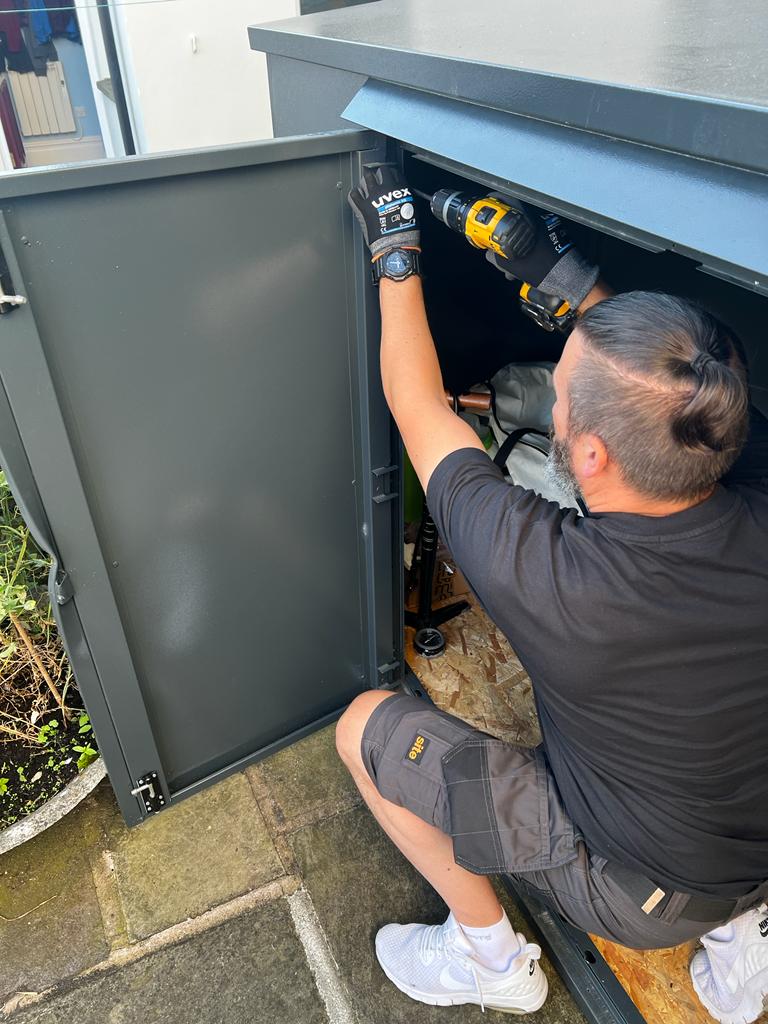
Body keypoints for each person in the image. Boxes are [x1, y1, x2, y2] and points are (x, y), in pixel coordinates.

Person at [336, 164, 768, 1021]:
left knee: (364, 733)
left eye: (562, 397)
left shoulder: (554, 580)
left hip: (641, 892)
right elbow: (669, 384)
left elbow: (419, 407)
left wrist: (394, 250)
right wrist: (555, 272)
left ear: (593, 455)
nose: (554, 404)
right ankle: (744, 931)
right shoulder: (735, 453)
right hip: (751, 831)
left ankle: (489, 960)